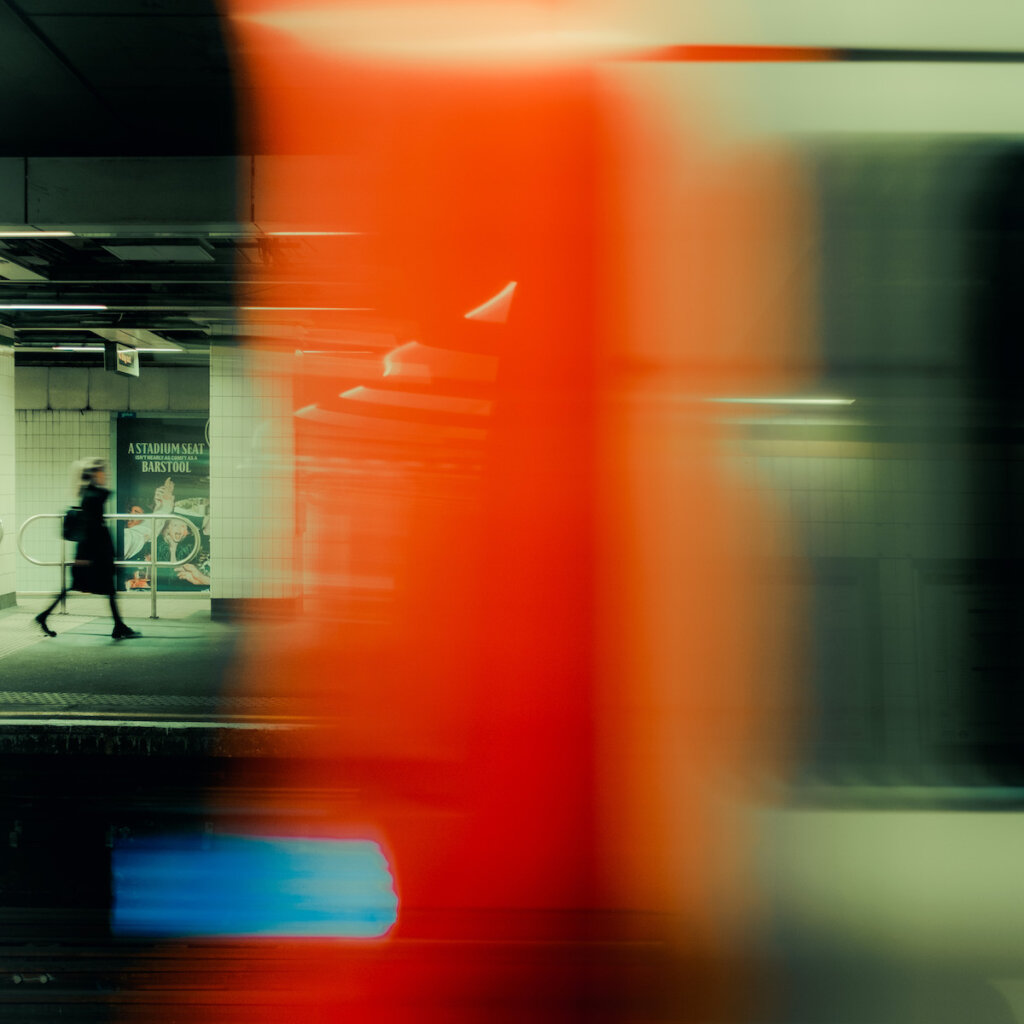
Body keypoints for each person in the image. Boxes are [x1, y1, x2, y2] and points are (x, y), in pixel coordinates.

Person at [35, 457, 141, 640]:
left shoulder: (91, 495)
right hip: (94, 554)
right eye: (102, 471)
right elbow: (90, 527)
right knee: (97, 587)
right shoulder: (92, 497)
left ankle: (118, 625)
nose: (105, 474)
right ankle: (118, 626)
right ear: (93, 474)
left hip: (94, 552)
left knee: (103, 588)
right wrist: (85, 556)